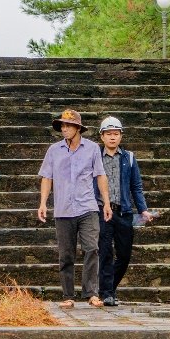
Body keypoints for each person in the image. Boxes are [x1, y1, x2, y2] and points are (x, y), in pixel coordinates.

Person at [38, 109, 112, 309]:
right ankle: (68, 294)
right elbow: (47, 177)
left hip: (87, 206)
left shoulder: (92, 149)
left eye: (68, 125)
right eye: (62, 126)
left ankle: (91, 293)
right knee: (66, 254)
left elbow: (100, 175)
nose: (64, 129)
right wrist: (43, 202)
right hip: (63, 209)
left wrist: (106, 202)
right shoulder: (54, 150)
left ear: (78, 128)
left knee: (92, 248)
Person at [94, 116, 151, 307]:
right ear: (102, 136)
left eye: (116, 134)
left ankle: (109, 287)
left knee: (124, 255)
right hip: (102, 211)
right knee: (105, 253)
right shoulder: (95, 157)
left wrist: (143, 209)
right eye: (109, 134)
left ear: (121, 136)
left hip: (124, 211)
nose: (112, 137)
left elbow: (136, 186)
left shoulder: (129, 158)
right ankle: (107, 293)